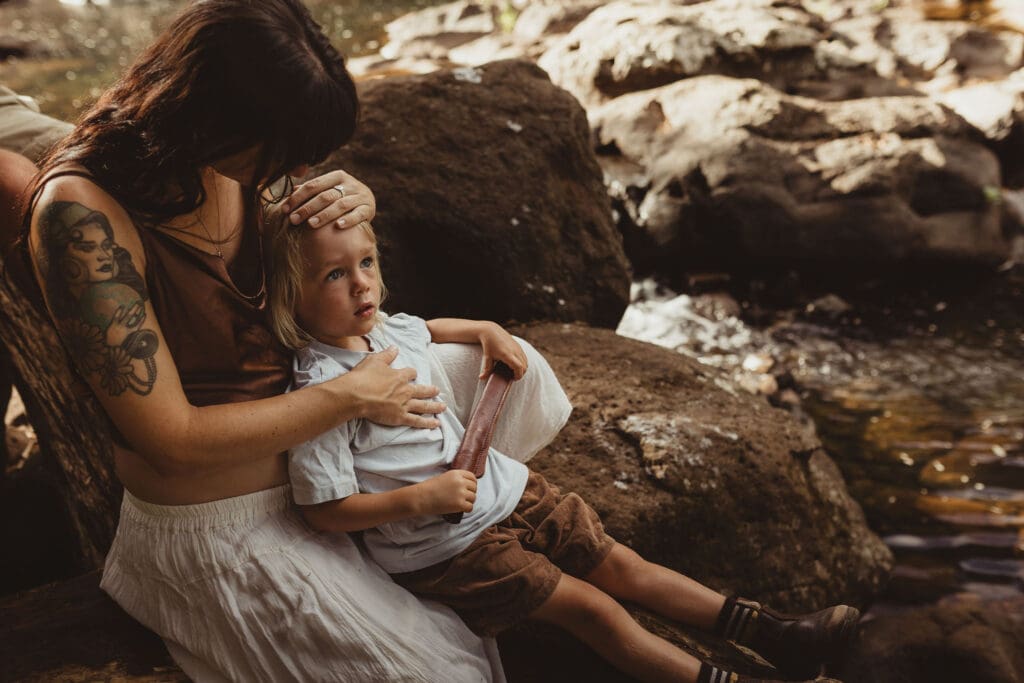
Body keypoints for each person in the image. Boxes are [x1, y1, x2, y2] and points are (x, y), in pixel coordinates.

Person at [18, 1, 573, 680]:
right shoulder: (80, 218)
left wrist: (354, 208)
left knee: (517, 370)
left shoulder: (230, 160)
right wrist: (347, 398)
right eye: (288, 149)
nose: (299, 164)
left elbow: (329, 290)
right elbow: (172, 439)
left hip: (322, 439)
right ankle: (388, 517)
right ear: (215, 117)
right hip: (223, 518)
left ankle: (396, 515)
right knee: (439, 673)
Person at [268, 213, 863, 683]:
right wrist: (422, 498)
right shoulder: (323, 392)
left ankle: (778, 635)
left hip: (501, 488)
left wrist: (485, 332)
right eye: (334, 275)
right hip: (442, 546)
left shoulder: (383, 328)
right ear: (291, 294)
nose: (362, 283)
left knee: (621, 564)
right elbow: (322, 511)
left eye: (366, 261)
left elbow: (429, 327)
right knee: (593, 610)